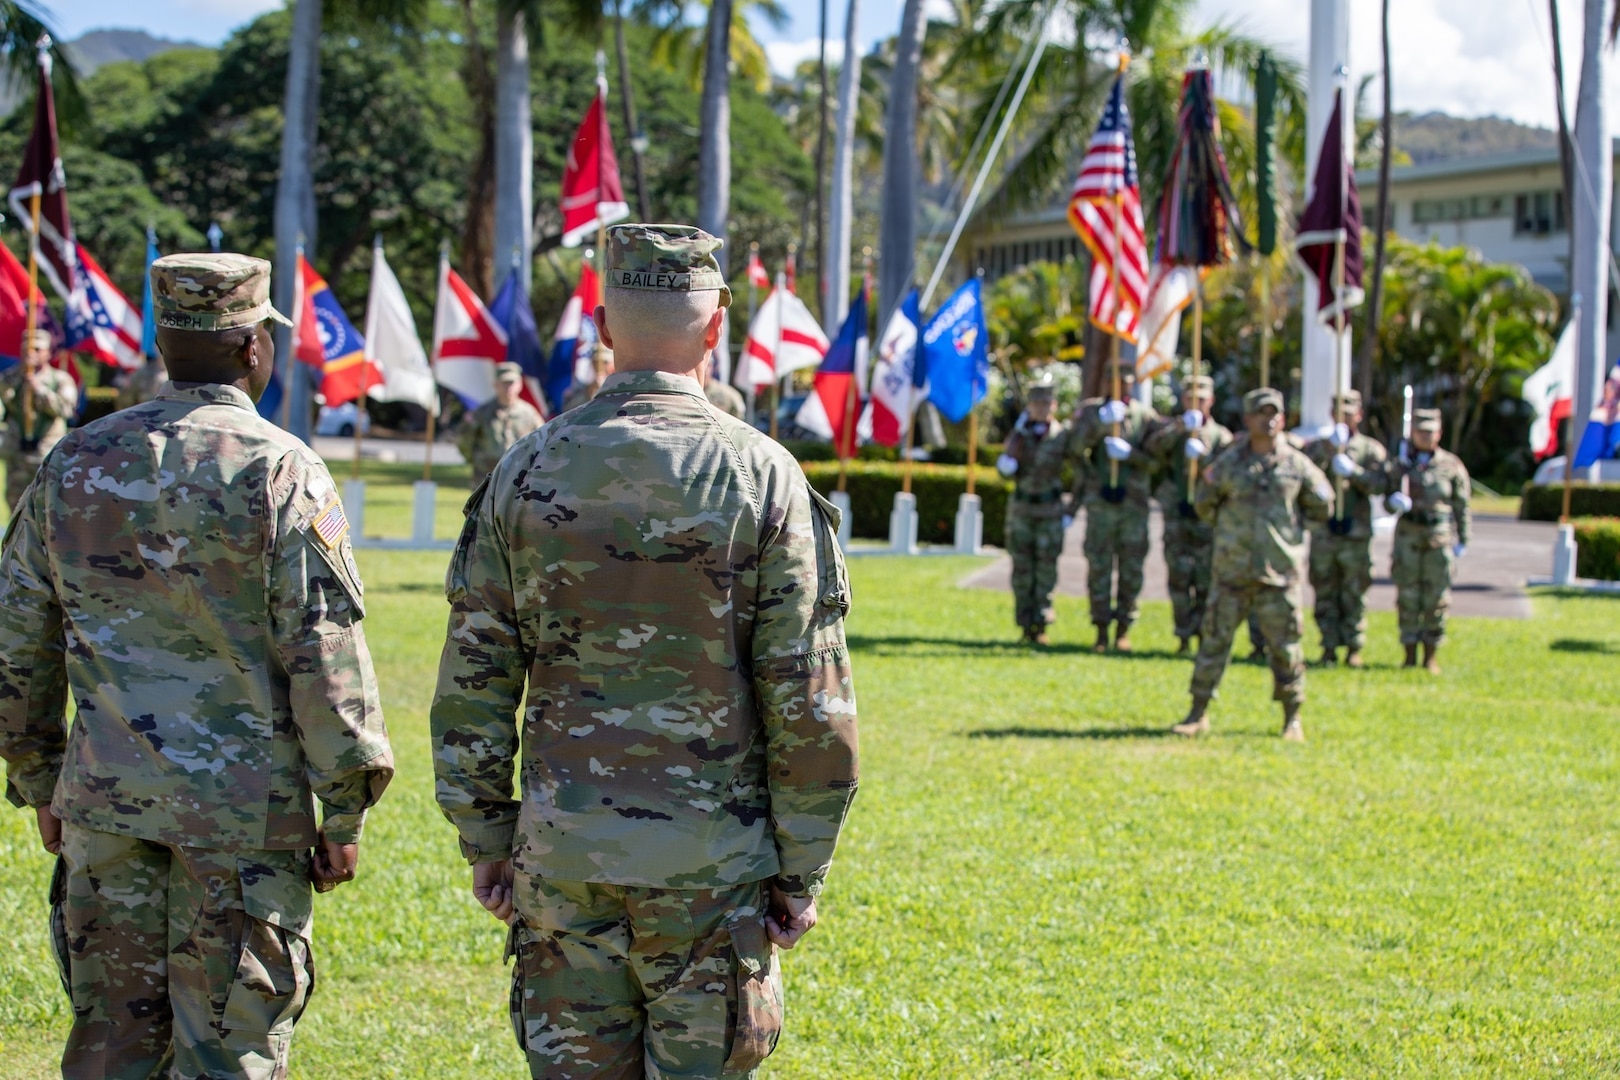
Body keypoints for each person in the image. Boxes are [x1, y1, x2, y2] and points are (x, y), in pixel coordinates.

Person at [431, 223, 859, 1079]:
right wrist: (801, 867)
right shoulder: (763, 474)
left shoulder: (524, 470)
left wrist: (488, 835)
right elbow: (809, 699)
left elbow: (474, 678)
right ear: (716, 327)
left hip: (563, 861)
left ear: (600, 324)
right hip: (713, 869)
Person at [0, 252, 394, 1077]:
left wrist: (43, 783)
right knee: (230, 1053)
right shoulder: (282, 469)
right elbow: (324, 653)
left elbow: (16, 646)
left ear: (165, 339)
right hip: (243, 827)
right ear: (253, 348)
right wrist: (346, 808)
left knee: (109, 1050)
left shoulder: (72, 464)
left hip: (106, 814)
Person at [1172, 387, 1334, 741]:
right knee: (1214, 641)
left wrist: (1289, 535)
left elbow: (1322, 504)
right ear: (1247, 419)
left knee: (1286, 647)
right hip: (1233, 571)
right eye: (1262, 412)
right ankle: (1198, 712)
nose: (1270, 418)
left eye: (1275, 412)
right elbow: (1204, 503)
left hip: (1278, 573)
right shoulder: (1229, 463)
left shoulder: (1296, 463)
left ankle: (1292, 717)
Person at [1066, 359, 1159, 652]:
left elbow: (1156, 462)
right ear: (1106, 382)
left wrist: (1131, 455)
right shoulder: (1092, 412)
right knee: (1099, 567)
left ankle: (1124, 628)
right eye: (1116, 380)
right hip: (1100, 503)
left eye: (1127, 380)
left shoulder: (1145, 417)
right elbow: (1072, 449)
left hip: (1133, 505)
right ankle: (1101, 629)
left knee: (1131, 569)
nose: (1121, 385)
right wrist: (1098, 425)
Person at [1145, 375, 1232, 654]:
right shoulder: (1174, 429)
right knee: (1179, 577)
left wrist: (1205, 457)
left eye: (1202, 399)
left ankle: (1204, 633)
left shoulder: (1222, 436)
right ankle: (1183, 634)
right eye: (1190, 398)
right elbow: (1152, 450)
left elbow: (1229, 472)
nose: (1196, 403)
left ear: (1211, 401)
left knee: (1207, 578)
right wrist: (1180, 428)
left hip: (1206, 517)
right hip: (1177, 513)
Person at [1304, 388, 1389, 667]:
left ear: (1359, 415)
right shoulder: (1319, 446)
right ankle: (1328, 646)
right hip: (1325, 532)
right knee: (1325, 589)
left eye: (1350, 413)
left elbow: (1380, 485)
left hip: (1356, 532)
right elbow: (1304, 474)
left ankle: (1354, 647)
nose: (1344, 418)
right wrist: (1329, 451)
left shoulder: (1370, 449)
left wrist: (1355, 472)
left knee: (1354, 591)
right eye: (1340, 412)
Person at [1385, 408, 1471, 673]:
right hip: (1408, 537)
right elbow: (1385, 498)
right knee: (1408, 596)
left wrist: (1463, 539)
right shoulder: (1401, 463)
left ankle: (1430, 655)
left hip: (1438, 537)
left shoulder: (1451, 465)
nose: (1425, 436)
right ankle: (1409, 653)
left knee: (1437, 598)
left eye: (1430, 431)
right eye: (1420, 431)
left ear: (1439, 434)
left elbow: (1462, 504)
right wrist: (1393, 501)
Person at [997, 375, 1070, 645]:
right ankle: (1025, 625)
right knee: (1022, 569)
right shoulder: (1019, 435)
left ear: (1054, 405)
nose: (1041, 407)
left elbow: (1082, 470)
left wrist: (1072, 508)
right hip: (1022, 511)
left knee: (1046, 569)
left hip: (1050, 511)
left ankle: (1041, 624)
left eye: (1046, 402)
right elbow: (1004, 470)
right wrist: (1016, 440)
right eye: (1036, 403)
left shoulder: (1062, 435)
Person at [0, 328, 77, 513]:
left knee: (46, 507)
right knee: (16, 506)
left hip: (46, 453)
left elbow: (66, 409)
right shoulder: (12, 377)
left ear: (48, 352)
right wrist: (20, 379)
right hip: (18, 453)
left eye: (37, 350)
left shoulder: (59, 379)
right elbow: (5, 400)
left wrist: (39, 389)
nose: (31, 354)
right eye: (27, 349)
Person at [455, 361, 545, 479]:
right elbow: (464, 440)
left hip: (518, 477)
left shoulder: (529, 414)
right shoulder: (482, 413)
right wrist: (477, 461)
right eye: (504, 383)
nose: (508, 388)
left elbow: (543, 441)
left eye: (512, 383)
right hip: (486, 476)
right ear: (496, 385)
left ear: (520, 385)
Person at [702, 352, 749, 418]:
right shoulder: (686, 392)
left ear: (711, 367)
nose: (703, 369)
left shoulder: (730, 396)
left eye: (706, 364)